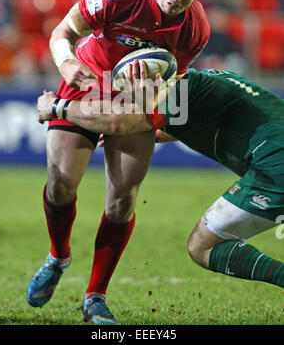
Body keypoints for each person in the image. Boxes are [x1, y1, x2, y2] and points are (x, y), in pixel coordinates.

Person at [27, 0, 227, 325]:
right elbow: (62, 33)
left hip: (138, 99)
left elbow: (170, 91)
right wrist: (67, 64)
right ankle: (58, 256)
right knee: (60, 184)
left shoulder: (195, 29)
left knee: (122, 201)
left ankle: (95, 297)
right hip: (85, 83)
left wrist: (152, 117)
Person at [37, 65, 284, 296]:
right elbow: (185, 114)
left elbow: (117, 121)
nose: (129, 94)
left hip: (277, 166)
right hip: (275, 155)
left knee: (203, 247)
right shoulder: (198, 84)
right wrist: (154, 133)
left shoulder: (174, 92)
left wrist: (57, 107)